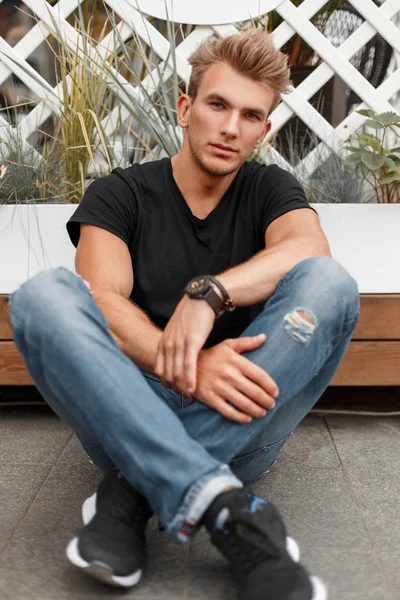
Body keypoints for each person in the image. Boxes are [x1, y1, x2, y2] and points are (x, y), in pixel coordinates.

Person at [9, 29, 359, 600]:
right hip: (130, 405)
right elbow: (100, 299)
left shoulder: (270, 188)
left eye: (250, 115)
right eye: (218, 105)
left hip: (243, 413)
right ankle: (226, 507)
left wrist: (211, 293)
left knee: (331, 283)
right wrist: (190, 361)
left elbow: (308, 252)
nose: (229, 127)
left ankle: (130, 492)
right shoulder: (120, 193)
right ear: (185, 107)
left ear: (263, 131)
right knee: (42, 295)